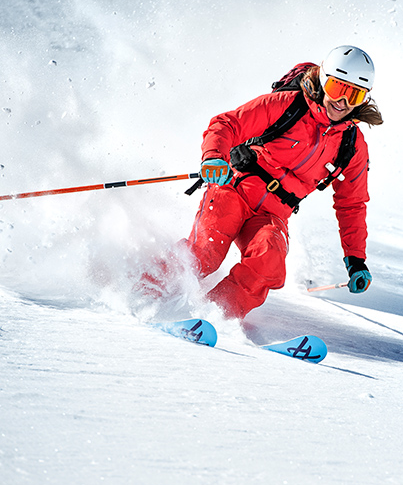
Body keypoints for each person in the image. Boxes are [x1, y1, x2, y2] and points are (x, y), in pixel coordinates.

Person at [141, 45, 383, 320]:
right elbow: (227, 124)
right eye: (339, 88)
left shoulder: (352, 145)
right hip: (234, 188)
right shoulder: (289, 105)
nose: (343, 102)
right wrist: (213, 157)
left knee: (270, 261)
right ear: (324, 80)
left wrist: (356, 259)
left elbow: (352, 203)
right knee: (205, 253)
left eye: (355, 94)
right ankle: (144, 290)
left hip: (273, 213)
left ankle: (215, 315)